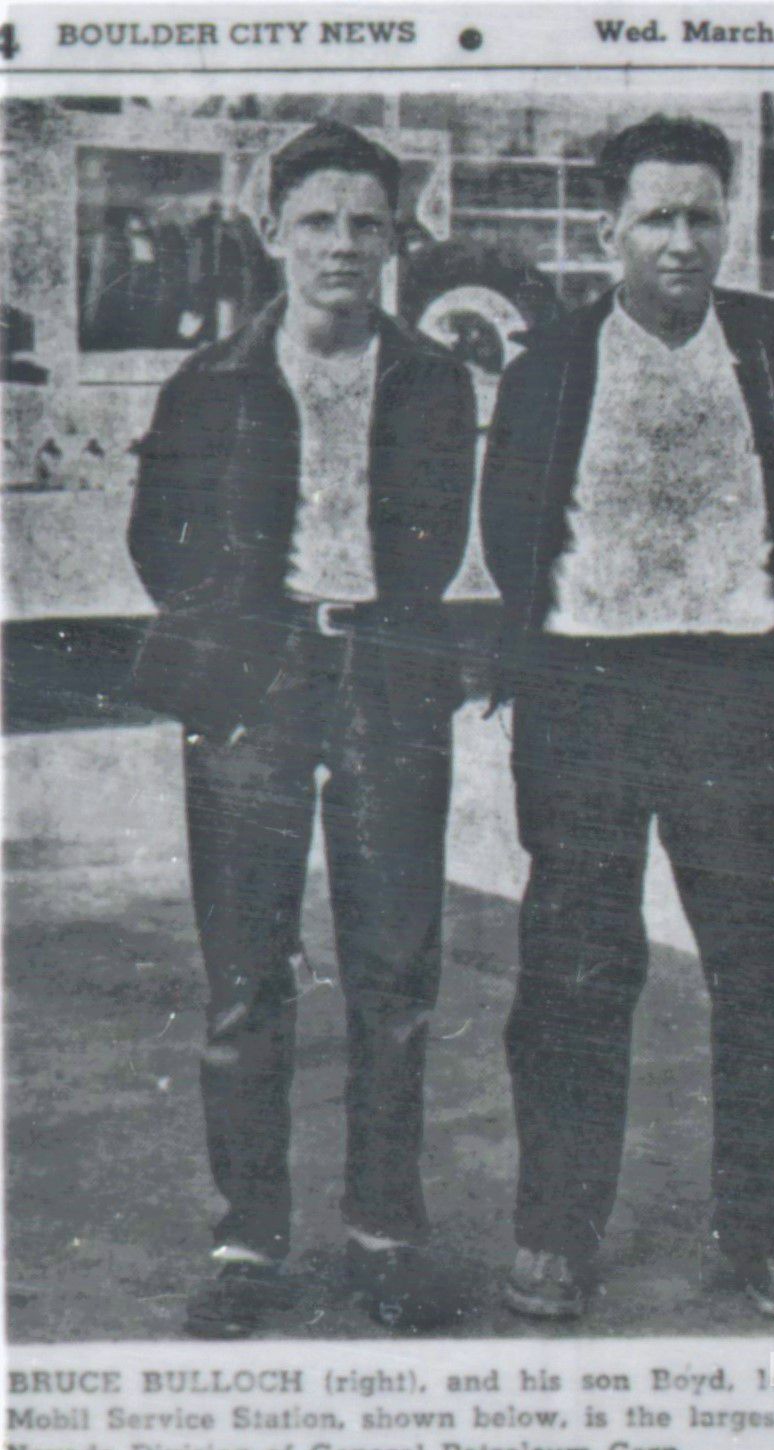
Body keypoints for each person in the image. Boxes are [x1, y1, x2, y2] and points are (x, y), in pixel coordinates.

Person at [481, 114, 774, 1321]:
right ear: (608, 230)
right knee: (575, 975)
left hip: (735, 694)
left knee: (751, 969)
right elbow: (510, 528)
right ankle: (555, 1233)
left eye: (701, 216)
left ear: (725, 223)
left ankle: (758, 1223)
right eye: (655, 218)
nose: (681, 241)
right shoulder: (550, 365)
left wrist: (743, 626)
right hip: (584, 693)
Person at [128, 120, 476, 1337]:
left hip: (385, 677)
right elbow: (156, 539)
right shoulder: (211, 380)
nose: (342, 244)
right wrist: (234, 636)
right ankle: (248, 1244)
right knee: (245, 977)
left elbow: (437, 539)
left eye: (365, 224)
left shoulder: (432, 380)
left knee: (394, 974)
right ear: (272, 232)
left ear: (394, 240)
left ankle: (384, 1235)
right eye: (318, 221)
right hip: (256, 680)